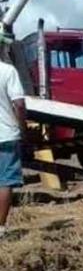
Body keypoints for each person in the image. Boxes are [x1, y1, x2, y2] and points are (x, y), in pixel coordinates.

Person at [0, 61, 25, 239]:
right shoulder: (8, 71)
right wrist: (22, 127)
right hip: (6, 134)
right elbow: (20, 104)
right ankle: (0, 228)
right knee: (5, 182)